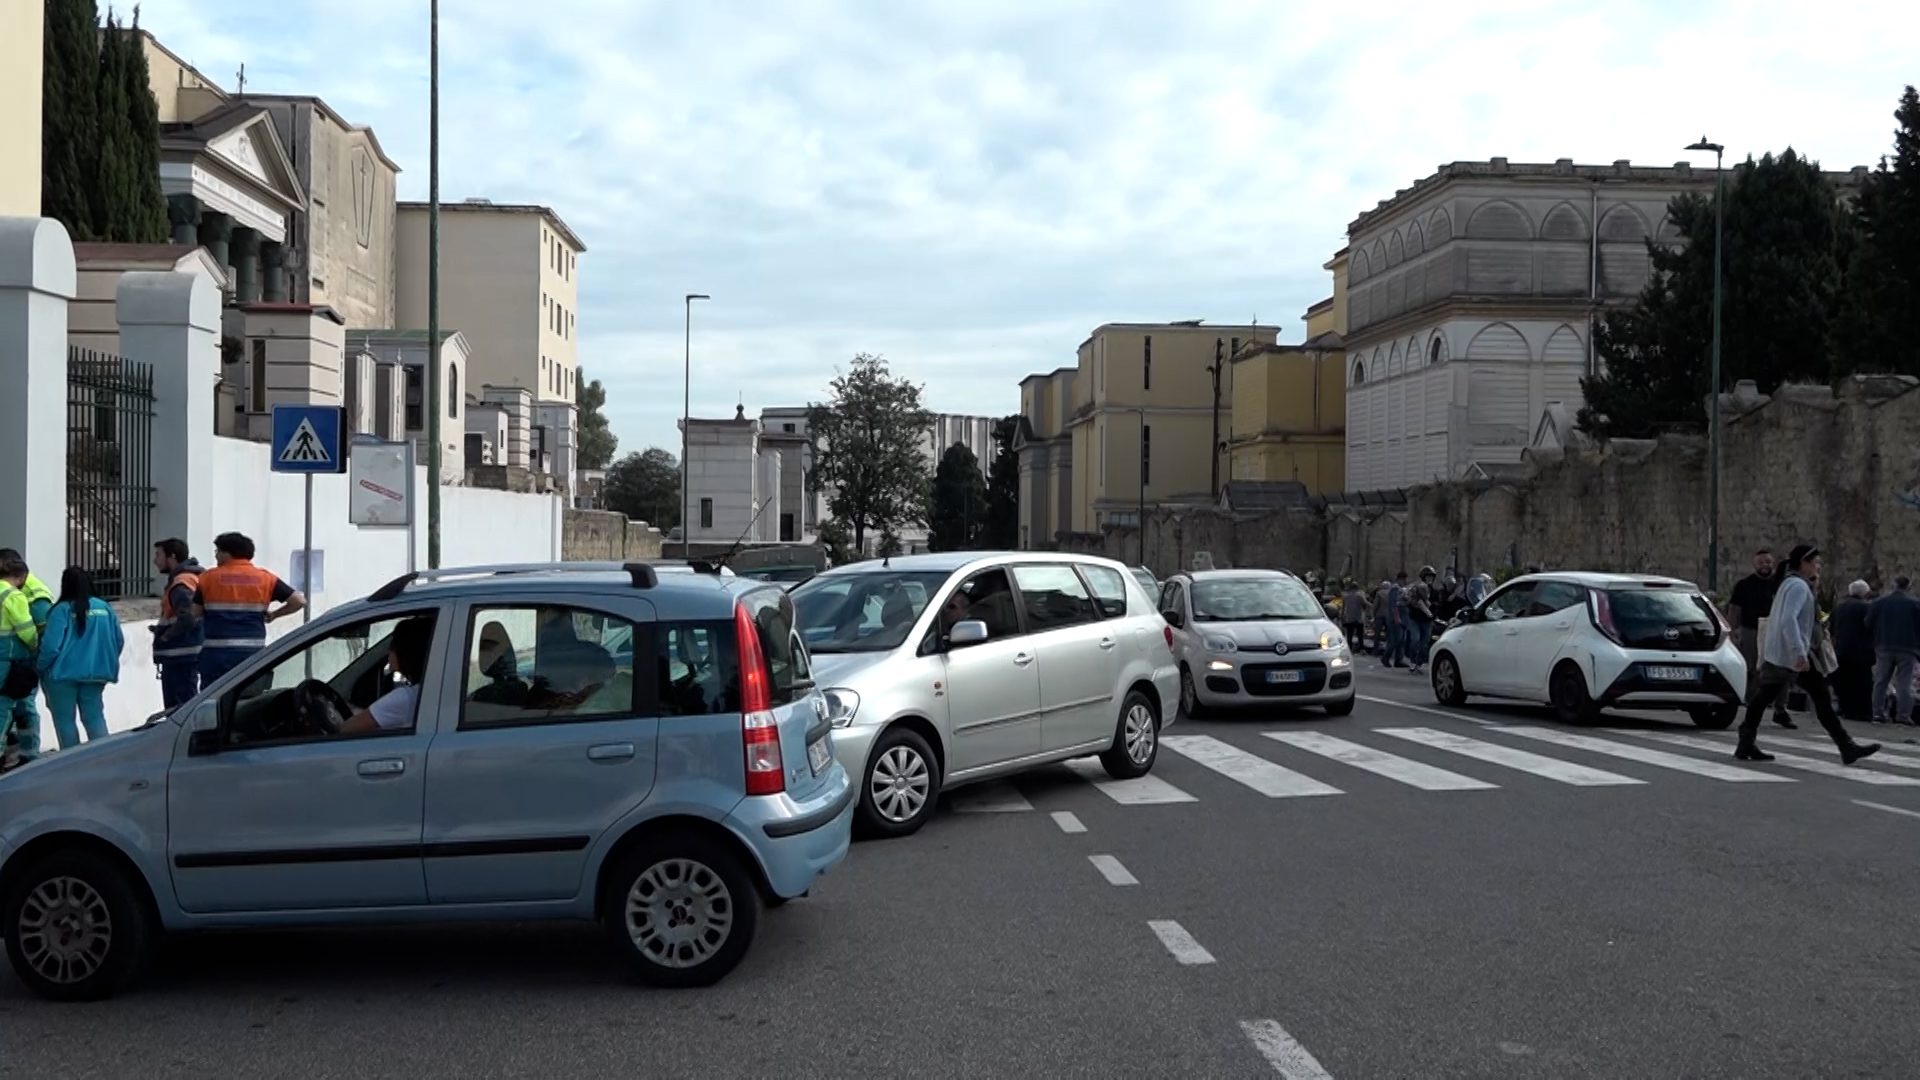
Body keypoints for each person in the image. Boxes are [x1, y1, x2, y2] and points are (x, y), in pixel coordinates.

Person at [1735, 544, 1879, 765]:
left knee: (1766, 695)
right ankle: (1846, 746)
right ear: (1804, 564)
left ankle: (1746, 740)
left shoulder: (1790, 584)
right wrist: (1799, 652)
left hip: (1782, 653)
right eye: (1816, 563)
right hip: (1792, 654)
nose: (1818, 567)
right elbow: (1788, 619)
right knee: (1817, 698)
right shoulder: (1798, 587)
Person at [192, 532, 305, 687]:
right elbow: (298, 601)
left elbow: (195, 613)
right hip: (253, 654)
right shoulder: (266, 578)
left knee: (214, 700)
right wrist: (275, 615)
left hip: (217, 655)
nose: (216, 556)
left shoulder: (208, 578)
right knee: (249, 701)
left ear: (228, 553)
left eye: (218, 551)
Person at [35, 566, 124, 750]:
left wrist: (40, 666)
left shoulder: (61, 610)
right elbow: (118, 640)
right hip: (97, 674)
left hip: (61, 676)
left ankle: (70, 764)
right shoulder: (104, 608)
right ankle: (104, 759)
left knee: (65, 721)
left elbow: (51, 647)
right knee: (95, 718)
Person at [1727, 548, 1796, 729]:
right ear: (1754, 564)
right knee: (1753, 669)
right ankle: (1752, 704)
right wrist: (1733, 629)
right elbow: (1735, 608)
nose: (1765, 566)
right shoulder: (1744, 585)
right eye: (1761, 562)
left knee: (1781, 669)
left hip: (1776, 630)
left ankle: (1781, 709)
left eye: (1768, 562)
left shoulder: (1780, 585)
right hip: (1752, 630)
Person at [0, 549, 54, 765]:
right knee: (7, 707)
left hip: (9, 660)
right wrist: (33, 648)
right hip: (11, 659)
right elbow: (27, 630)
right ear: (20, 576)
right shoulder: (14, 595)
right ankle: (28, 755)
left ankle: (17, 753)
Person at [341, 617, 436, 735]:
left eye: (392, 646)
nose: (388, 652)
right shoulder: (427, 693)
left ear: (405, 652)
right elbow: (378, 714)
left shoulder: (404, 698)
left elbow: (345, 729)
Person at [151, 538, 205, 709]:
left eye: (158, 554)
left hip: (180, 655)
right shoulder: (193, 577)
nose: (155, 560)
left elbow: (188, 617)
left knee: (180, 710)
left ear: (172, 557)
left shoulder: (181, 583)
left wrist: (166, 635)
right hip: (187, 652)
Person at [1867, 574, 1920, 725]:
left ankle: (1877, 713)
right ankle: (1903, 715)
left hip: (1883, 645)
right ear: (1908, 587)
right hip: (1908, 648)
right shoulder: (1915, 604)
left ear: (1893, 585)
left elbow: (1868, 622)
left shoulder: (1879, 602)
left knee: (1881, 680)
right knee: (1905, 681)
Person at [1830, 580, 1876, 720]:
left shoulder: (1839, 607)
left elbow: (1831, 627)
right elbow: (1872, 627)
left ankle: (1844, 708)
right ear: (1865, 593)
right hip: (1861, 651)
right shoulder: (1866, 608)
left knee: (1844, 681)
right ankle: (1861, 712)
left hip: (1842, 649)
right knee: (1862, 683)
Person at [1407, 566, 1438, 674]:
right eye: (1427, 576)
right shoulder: (1415, 588)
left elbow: (1437, 604)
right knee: (1415, 639)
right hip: (1415, 618)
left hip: (1427, 620)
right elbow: (1409, 601)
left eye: (1431, 577)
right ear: (1423, 577)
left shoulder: (1434, 591)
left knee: (1424, 643)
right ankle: (1412, 661)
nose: (1429, 579)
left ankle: (1419, 663)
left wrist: (1431, 606)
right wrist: (1415, 604)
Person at [1340, 579, 1366, 653]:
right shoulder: (1360, 596)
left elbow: (1343, 607)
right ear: (1357, 588)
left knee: (1349, 634)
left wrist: (1342, 617)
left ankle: (1349, 648)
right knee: (1360, 634)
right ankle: (1361, 649)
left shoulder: (1346, 596)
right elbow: (1364, 605)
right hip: (1358, 617)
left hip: (1349, 618)